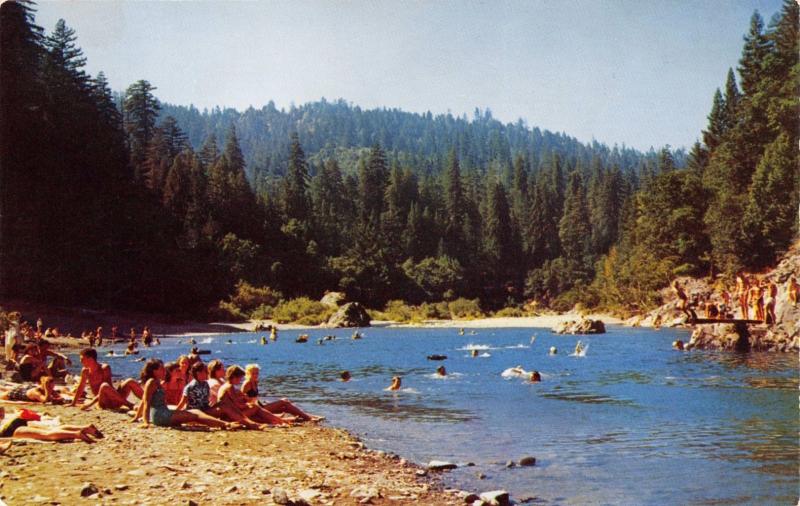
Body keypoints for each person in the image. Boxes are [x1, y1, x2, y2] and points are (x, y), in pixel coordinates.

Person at [133, 359, 238, 430]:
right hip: (161, 416)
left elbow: (143, 400)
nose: (164, 371)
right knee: (195, 415)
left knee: (195, 412)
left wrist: (136, 417)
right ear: (154, 371)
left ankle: (224, 424)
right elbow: (146, 402)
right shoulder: (151, 382)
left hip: (163, 413)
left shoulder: (156, 381)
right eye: (161, 369)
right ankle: (226, 424)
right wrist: (145, 422)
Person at [177, 362, 267, 430]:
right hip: (198, 412)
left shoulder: (205, 384)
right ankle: (250, 424)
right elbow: (183, 403)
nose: (207, 374)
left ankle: (248, 422)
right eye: (205, 372)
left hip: (206, 409)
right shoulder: (190, 387)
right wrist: (175, 415)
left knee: (225, 403)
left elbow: (207, 402)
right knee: (226, 407)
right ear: (198, 373)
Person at [239, 364, 320, 422]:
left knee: (286, 407)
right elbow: (241, 399)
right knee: (283, 401)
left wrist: (260, 402)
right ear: (248, 373)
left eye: (257, 373)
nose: (255, 375)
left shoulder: (255, 382)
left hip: (260, 406)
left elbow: (255, 397)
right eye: (253, 373)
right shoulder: (247, 383)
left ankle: (307, 416)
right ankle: (308, 417)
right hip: (256, 409)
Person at [70, 348, 143, 410]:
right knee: (104, 386)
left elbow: (109, 387)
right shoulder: (85, 371)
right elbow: (81, 387)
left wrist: (89, 404)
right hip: (103, 402)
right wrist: (73, 403)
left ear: (90, 359)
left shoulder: (104, 368)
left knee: (130, 381)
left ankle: (150, 401)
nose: (80, 361)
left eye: (82, 359)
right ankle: (130, 405)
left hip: (114, 399)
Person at [217, 366, 290, 426]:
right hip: (229, 416)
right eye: (240, 378)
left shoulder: (226, 385)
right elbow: (238, 406)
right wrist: (248, 404)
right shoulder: (229, 387)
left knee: (255, 409)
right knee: (255, 408)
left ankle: (278, 420)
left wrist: (246, 403)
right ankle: (279, 420)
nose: (240, 380)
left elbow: (234, 403)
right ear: (234, 377)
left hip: (228, 414)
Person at [0, 406, 102, 443]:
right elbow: (2, 410)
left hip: (9, 431)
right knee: (52, 429)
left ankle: (77, 434)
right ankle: (84, 428)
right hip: (13, 424)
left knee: (47, 434)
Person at [0, 376, 66, 404]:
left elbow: (59, 397)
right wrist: (47, 389)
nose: (51, 388)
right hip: (17, 393)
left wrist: (58, 398)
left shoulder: (50, 389)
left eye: (52, 386)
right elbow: (45, 400)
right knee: (2, 396)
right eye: (49, 386)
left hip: (26, 389)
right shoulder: (36, 392)